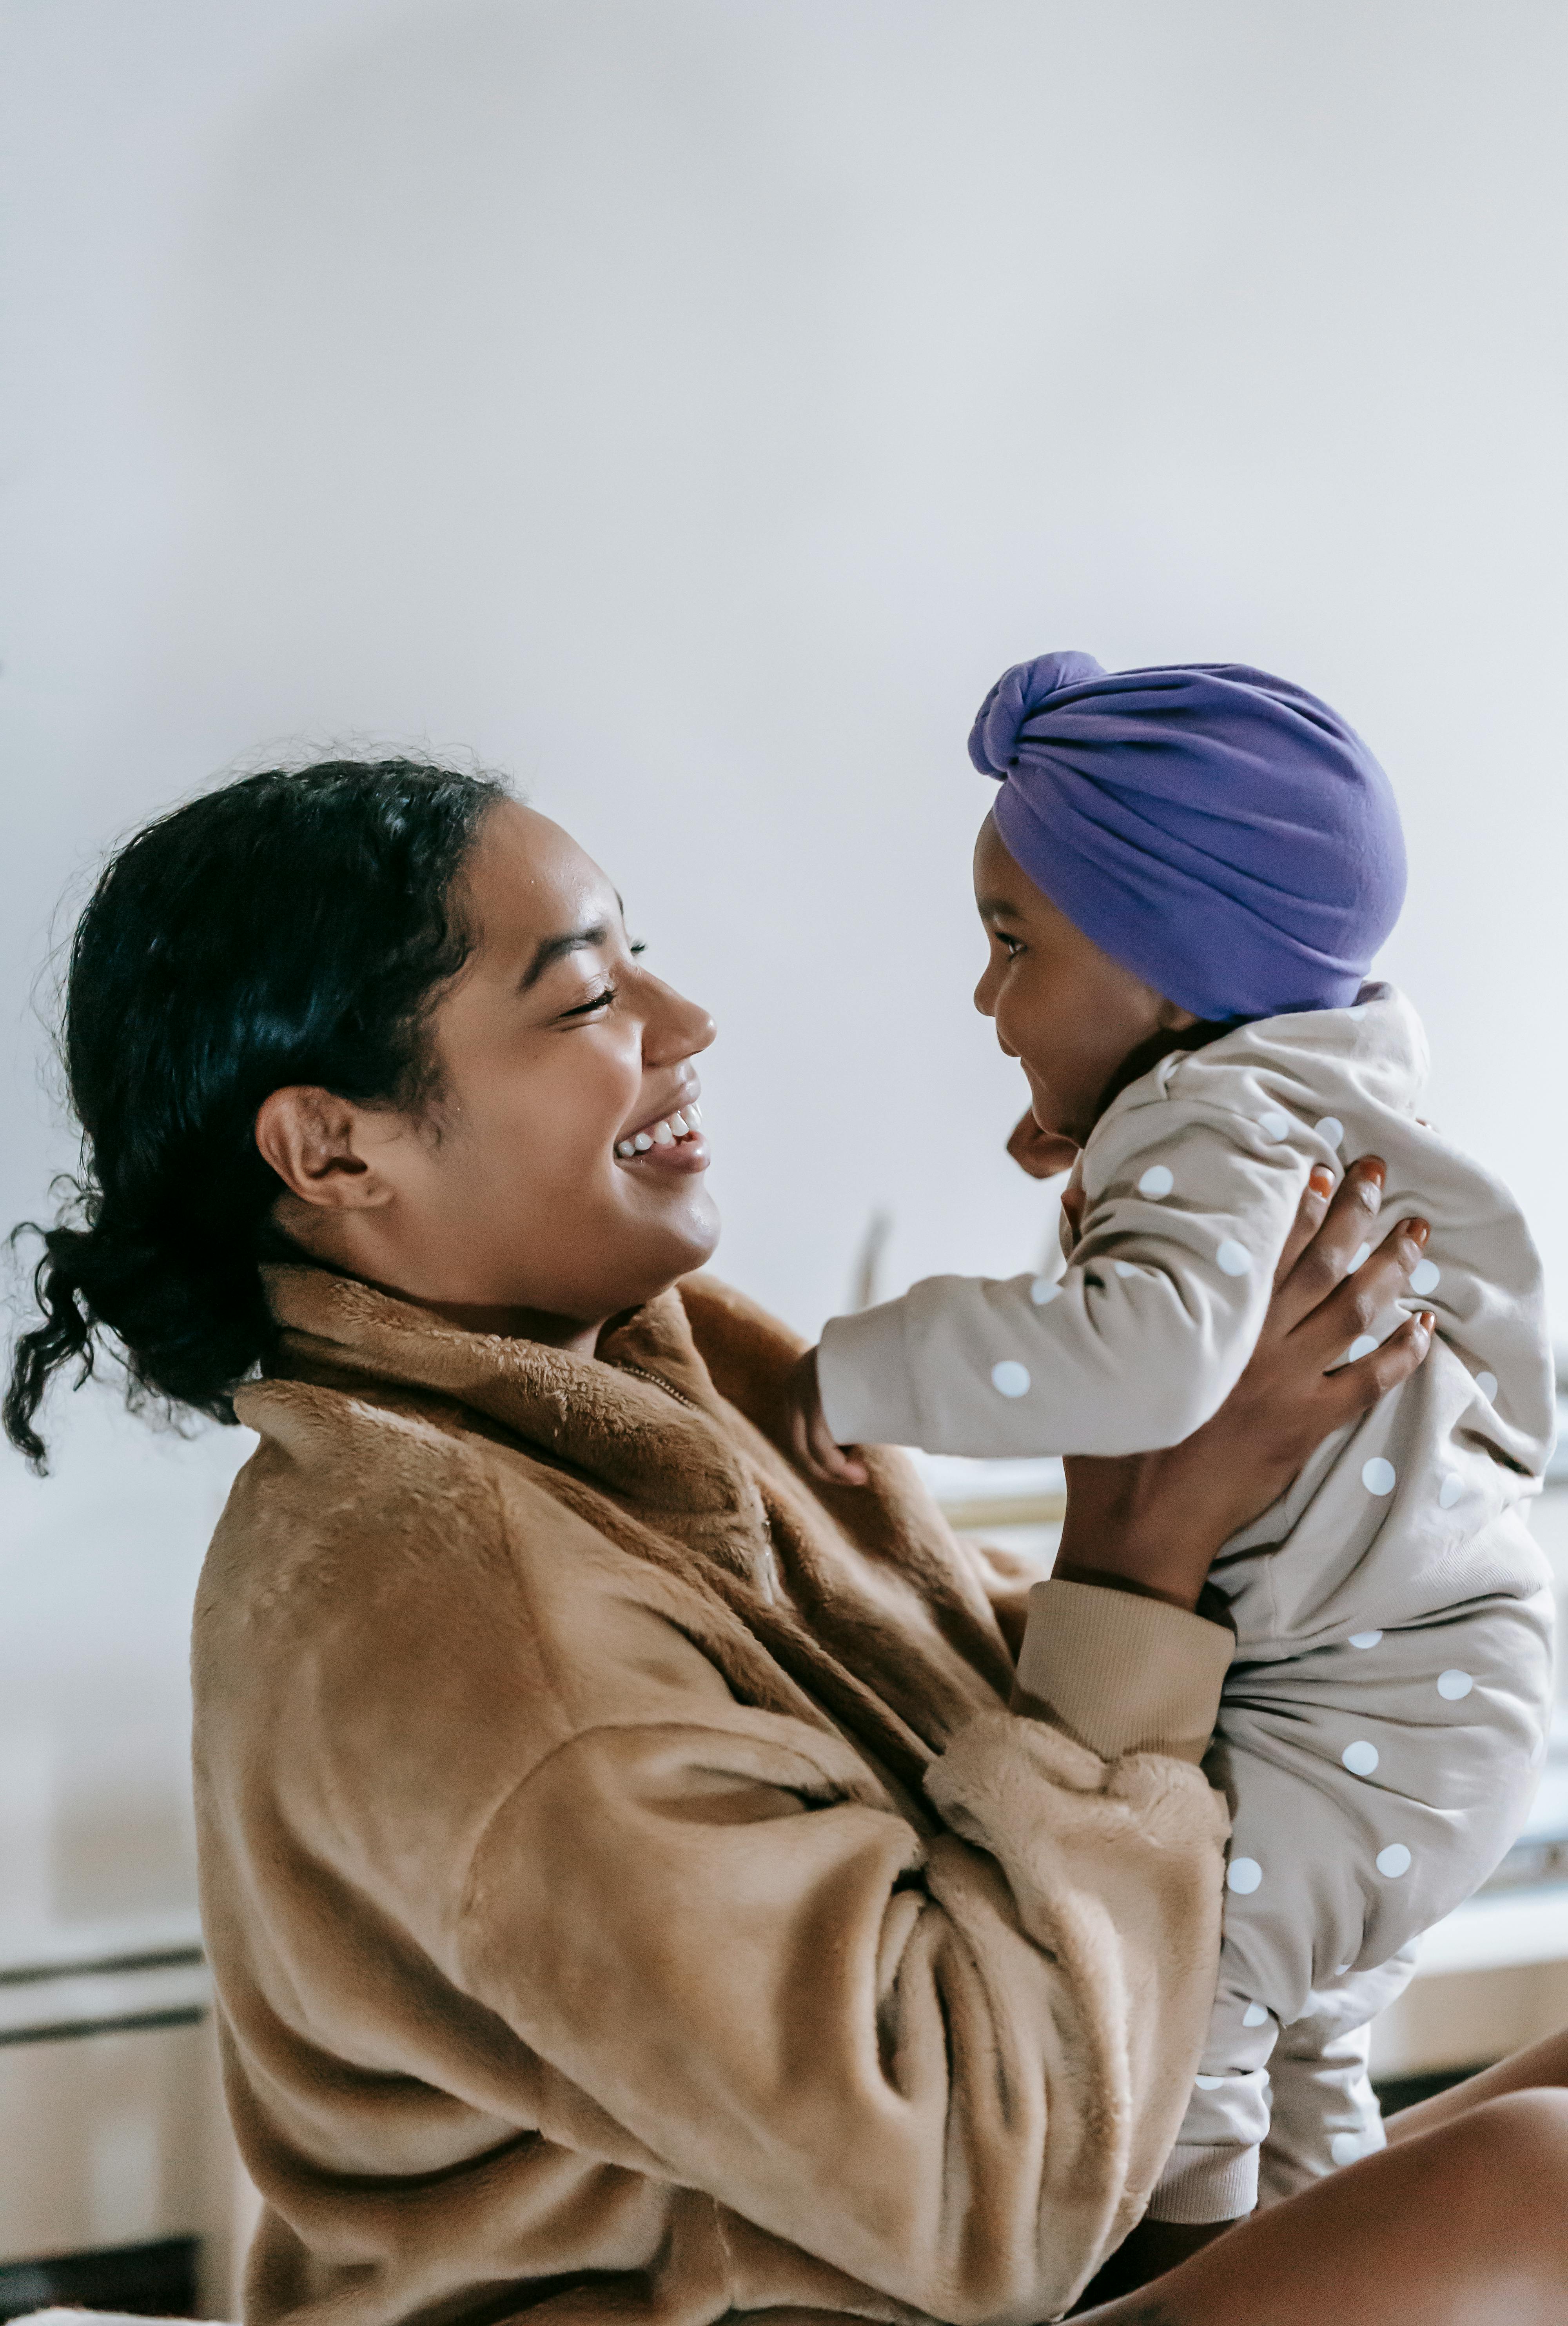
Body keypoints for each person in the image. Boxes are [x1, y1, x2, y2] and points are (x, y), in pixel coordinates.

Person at [5, 754, 1566, 2326]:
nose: (685, 1028)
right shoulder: (443, 1605)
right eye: (584, 1001)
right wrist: (1136, 1551)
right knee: (1536, 2195)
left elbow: (962, 1718)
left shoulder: (653, 1371)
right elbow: (980, 2200)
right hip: (955, 2240)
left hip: (1041, 2198)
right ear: (336, 1151)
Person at [787, 651, 1556, 2226]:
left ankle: (1171, 2269)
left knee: (1184, 2004)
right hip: (1428, 1700)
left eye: (1014, 945)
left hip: (1370, 1701)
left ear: (1169, 966)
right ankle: (1302, 2253)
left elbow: (1146, 1366)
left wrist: (855, 1372)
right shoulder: (1292, 1099)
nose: (987, 998)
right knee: (1305, 2050)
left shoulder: (1212, 1123)